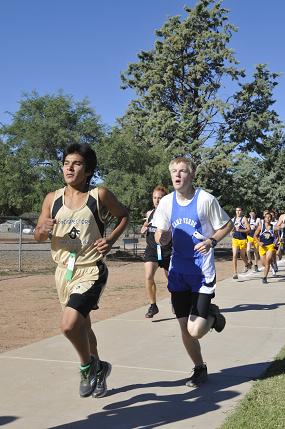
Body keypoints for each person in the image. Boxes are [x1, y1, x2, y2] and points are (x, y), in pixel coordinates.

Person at [34, 142, 129, 398]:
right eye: (66, 163)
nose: (69, 168)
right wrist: (42, 230)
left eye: (76, 164)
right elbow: (39, 236)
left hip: (90, 269)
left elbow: (123, 215)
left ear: (87, 170)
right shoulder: (52, 199)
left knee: (68, 325)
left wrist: (110, 240)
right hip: (64, 272)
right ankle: (100, 368)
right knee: (83, 328)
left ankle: (88, 367)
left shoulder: (99, 196)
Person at [154, 155, 233, 387]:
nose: (177, 175)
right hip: (178, 271)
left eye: (182, 171)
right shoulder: (167, 202)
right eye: (173, 171)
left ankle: (213, 315)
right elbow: (160, 233)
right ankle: (199, 368)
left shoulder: (205, 200)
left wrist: (212, 241)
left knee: (196, 330)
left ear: (192, 174)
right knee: (184, 329)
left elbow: (227, 224)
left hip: (202, 272)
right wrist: (163, 237)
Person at [141, 186, 172, 318]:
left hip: (167, 250)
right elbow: (144, 229)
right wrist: (144, 227)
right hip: (152, 250)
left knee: (172, 280)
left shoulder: (170, 213)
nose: (157, 200)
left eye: (160, 198)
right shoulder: (149, 213)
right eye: (154, 197)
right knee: (148, 276)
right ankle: (153, 305)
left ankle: (176, 301)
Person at [254, 212, 278, 284]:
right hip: (262, 247)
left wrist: (275, 242)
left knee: (267, 262)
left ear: (271, 218)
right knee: (264, 264)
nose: (268, 218)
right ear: (264, 218)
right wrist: (258, 242)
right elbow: (255, 236)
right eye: (267, 217)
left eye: (270, 217)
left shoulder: (273, 227)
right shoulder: (261, 227)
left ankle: (264, 278)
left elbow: (277, 237)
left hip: (270, 246)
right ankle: (272, 263)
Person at [231, 207, 250, 280]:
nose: (238, 212)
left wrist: (240, 230)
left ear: (241, 211)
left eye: (239, 210)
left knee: (242, 256)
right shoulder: (233, 219)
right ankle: (235, 273)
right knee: (234, 255)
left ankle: (246, 264)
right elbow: (232, 229)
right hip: (235, 239)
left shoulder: (244, 219)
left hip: (243, 239)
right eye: (237, 210)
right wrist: (232, 231)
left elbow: (248, 229)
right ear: (235, 211)